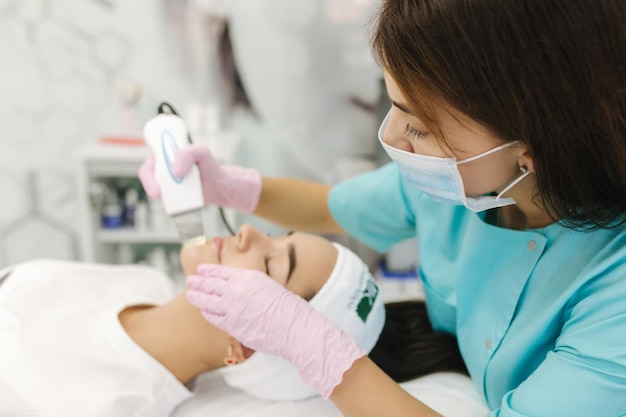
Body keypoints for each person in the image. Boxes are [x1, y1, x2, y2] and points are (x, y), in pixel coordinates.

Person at [139, 0, 626, 416]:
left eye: (418, 126)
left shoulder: (614, 297)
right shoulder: (464, 185)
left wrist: (317, 349)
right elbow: (334, 207)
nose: (391, 137)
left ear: (534, 147)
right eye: (393, 104)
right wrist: (229, 186)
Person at [0, 224, 386, 417]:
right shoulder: (142, 280)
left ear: (247, 347)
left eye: (272, 263)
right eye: (274, 235)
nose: (248, 231)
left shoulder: (109, 402)